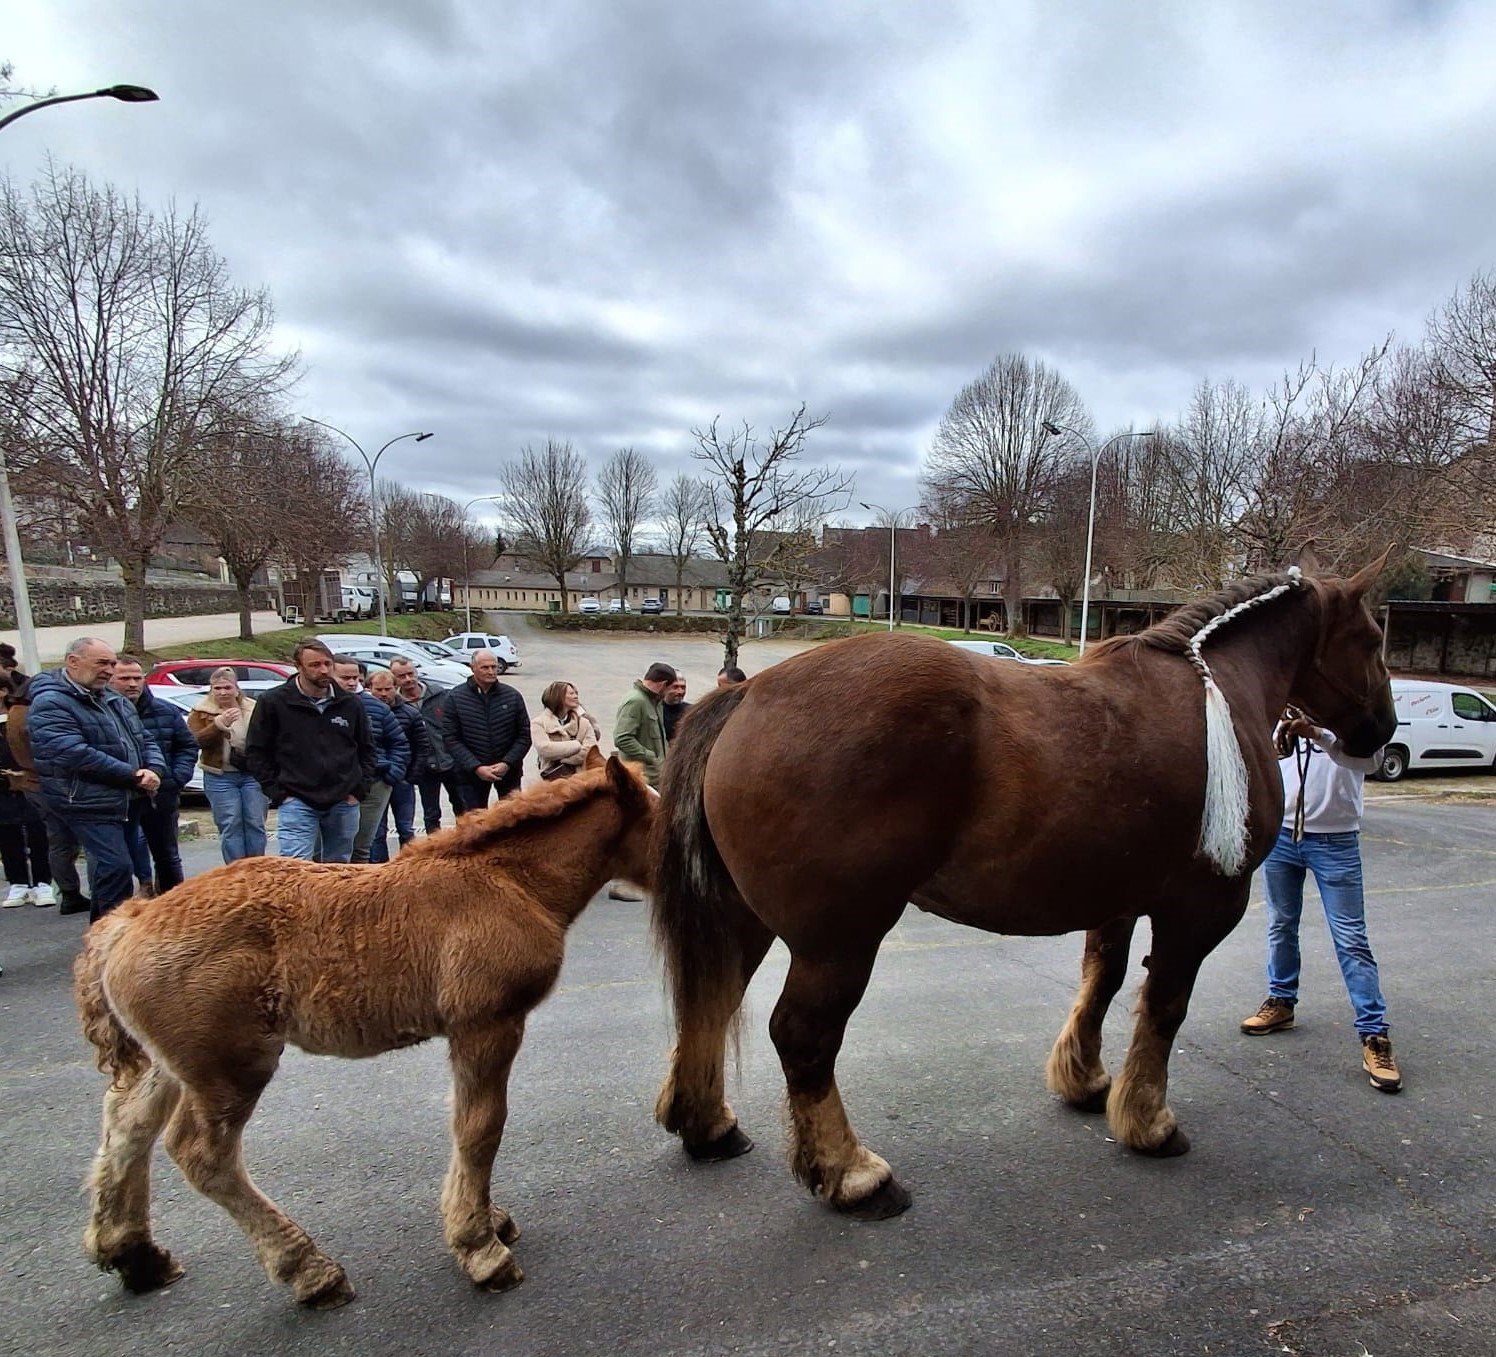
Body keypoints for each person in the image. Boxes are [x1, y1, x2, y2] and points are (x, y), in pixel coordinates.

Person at [1241, 712, 1402, 1093]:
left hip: (1336, 841)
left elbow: (1372, 761)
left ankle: (1374, 1036)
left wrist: (1320, 734)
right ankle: (1281, 1002)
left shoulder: (1349, 710)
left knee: (1350, 939)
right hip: (1281, 835)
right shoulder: (1282, 707)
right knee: (1280, 924)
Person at [26, 637, 165, 920]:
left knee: (111, 872)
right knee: (116, 867)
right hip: (86, 801)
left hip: (127, 799)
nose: (109, 670)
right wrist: (132, 776)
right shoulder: (50, 703)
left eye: (112, 663)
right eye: (102, 663)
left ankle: (104, 939)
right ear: (73, 662)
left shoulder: (115, 700)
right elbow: (73, 753)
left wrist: (154, 769)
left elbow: (145, 739)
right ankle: (110, 941)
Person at [244, 640, 375, 863]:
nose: (323, 670)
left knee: (339, 869)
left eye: (327, 663)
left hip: (343, 800)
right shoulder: (273, 702)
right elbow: (256, 752)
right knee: (294, 868)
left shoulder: (350, 703)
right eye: (315, 664)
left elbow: (367, 749)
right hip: (297, 800)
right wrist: (279, 793)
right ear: (298, 666)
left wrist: (359, 789)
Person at [110, 655, 198, 895]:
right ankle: (125, 907)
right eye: (124, 678)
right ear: (110, 679)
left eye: (137, 678)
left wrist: (175, 779)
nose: (132, 684)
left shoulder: (165, 710)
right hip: (120, 797)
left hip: (162, 795)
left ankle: (174, 905)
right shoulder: (103, 713)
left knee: (167, 856)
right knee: (118, 859)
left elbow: (187, 746)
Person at [4, 673, 89, 913]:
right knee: (83, 838)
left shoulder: (15, 712)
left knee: (58, 840)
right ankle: (77, 893)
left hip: (33, 784)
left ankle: (69, 891)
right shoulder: (33, 713)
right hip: (50, 782)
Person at [331, 656, 408, 864]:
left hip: (374, 785)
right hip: (330, 788)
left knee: (362, 846)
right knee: (328, 850)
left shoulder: (376, 708)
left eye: (355, 677)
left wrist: (391, 775)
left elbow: (400, 743)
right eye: (344, 677)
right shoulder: (320, 707)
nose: (351, 682)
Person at [187, 667, 268, 863]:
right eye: (217, 688)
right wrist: (217, 726)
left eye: (227, 687)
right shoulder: (201, 711)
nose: (223, 692)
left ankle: (256, 867)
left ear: (237, 689)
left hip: (252, 774)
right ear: (211, 690)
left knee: (255, 822)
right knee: (231, 823)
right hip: (219, 774)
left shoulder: (253, 707)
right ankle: (235, 869)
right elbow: (193, 741)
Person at [439, 648, 530, 810]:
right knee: (475, 824)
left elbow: (524, 735)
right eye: (485, 667)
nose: (491, 671)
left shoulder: (512, 696)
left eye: (494, 667)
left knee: (514, 818)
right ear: (472, 667)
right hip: (470, 775)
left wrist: (507, 763)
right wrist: (476, 767)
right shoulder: (455, 698)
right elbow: (451, 738)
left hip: (508, 772)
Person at [0, 671, 53, 907]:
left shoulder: (20, 714)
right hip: (3, 789)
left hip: (30, 782)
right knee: (8, 836)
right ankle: (18, 883)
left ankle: (43, 883)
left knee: (38, 832)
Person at [389, 658, 459, 833]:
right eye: (401, 676)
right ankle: (434, 850)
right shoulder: (394, 705)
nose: (408, 679)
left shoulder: (440, 694)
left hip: (450, 761)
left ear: (416, 672)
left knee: (462, 808)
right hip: (423, 767)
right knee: (431, 813)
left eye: (410, 673)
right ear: (394, 678)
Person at [366, 667, 428, 861]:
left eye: (388, 689)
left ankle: (410, 866)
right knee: (376, 831)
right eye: (379, 690)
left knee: (405, 829)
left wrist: (411, 777)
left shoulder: (410, 714)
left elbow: (422, 747)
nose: (384, 694)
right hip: (375, 781)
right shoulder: (363, 712)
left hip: (403, 781)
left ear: (395, 688)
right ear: (370, 689)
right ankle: (378, 868)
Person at [613, 662, 675, 789]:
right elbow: (622, 738)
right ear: (663, 684)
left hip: (657, 776)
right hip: (642, 778)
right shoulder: (636, 701)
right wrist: (650, 756)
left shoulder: (656, 702)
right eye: (671, 687)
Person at [531, 681, 601, 781]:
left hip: (580, 781)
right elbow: (545, 749)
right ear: (558, 697)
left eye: (576, 693)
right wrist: (576, 745)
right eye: (571, 693)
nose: (576, 696)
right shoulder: (539, 723)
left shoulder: (584, 723)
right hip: (551, 782)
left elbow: (591, 750)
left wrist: (561, 758)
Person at [662, 673, 693, 742]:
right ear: (665, 688)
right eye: (675, 687)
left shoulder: (691, 711)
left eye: (683, 687)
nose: (680, 691)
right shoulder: (655, 710)